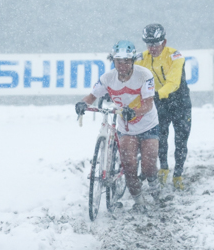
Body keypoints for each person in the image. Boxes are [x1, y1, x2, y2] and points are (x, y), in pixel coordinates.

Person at [76, 40, 160, 212]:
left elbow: (148, 105)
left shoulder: (144, 75)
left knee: (148, 166)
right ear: (113, 61)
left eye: (126, 61)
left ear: (133, 61)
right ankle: (139, 200)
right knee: (128, 166)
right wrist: (82, 104)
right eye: (118, 61)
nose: (122, 65)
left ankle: (153, 181)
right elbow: (92, 96)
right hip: (126, 128)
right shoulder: (107, 78)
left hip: (148, 124)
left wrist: (134, 111)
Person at [136, 24, 192, 191]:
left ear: (164, 42)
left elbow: (173, 82)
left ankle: (178, 174)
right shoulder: (141, 58)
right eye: (149, 44)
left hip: (179, 101)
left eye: (156, 44)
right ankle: (164, 168)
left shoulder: (175, 56)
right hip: (159, 102)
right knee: (160, 137)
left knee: (181, 139)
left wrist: (154, 95)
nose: (152, 48)